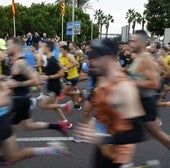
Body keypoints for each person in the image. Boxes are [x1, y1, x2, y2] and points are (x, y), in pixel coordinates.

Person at [74, 39, 145, 168]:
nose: (92, 61)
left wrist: (103, 137)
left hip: (116, 153)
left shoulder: (124, 88)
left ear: (112, 58)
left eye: (97, 57)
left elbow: (138, 132)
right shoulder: (101, 78)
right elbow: (104, 107)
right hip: (103, 146)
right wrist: (94, 122)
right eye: (91, 56)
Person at [6, 37, 68, 135]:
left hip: (20, 101)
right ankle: (57, 126)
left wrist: (18, 83)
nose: (6, 48)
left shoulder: (20, 63)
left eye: (8, 45)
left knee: (6, 128)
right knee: (28, 126)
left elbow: (36, 80)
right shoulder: (17, 62)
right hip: (22, 99)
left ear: (15, 47)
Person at [0, 81, 71, 165]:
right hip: (7, 115)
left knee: (27, 127)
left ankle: (54, 143)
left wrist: (17, 85)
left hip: (12, 110)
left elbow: (35, 78)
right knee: (27, 127)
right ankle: (53, 149)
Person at [128, 30, 170, 149]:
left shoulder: (145, 59)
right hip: (137, 103)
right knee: (123, 133)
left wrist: (131, 82)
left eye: (134, 41)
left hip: (145, 103)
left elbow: (155, 83)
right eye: (130, 41)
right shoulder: (138, 57)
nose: (131, 44)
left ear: (142, 42)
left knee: (160, 136)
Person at [40, 40, 73, 128]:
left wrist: (48, 77)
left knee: (43, 105)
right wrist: (43, 76)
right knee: (54, 106)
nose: (41, 48)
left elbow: (61, 73)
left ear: (48, 48)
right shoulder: (48, 59)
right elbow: (50, 72)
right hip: (52, 85)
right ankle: (66, 122)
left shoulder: (52, 60)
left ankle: (65, 105)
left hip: (54, 87)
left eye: (43, 47)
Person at [59, 45, 82, 110]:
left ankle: (79, 93)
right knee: (71, 91)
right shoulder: (61, 56)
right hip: (67, 76)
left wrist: (67, 67)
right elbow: (61, 64)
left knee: (65, 92)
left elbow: (76, 63)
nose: (60, 51)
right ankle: (76, 105)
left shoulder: (69, 56)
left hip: (72, 76)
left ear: (66, 50)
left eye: (62, 50)